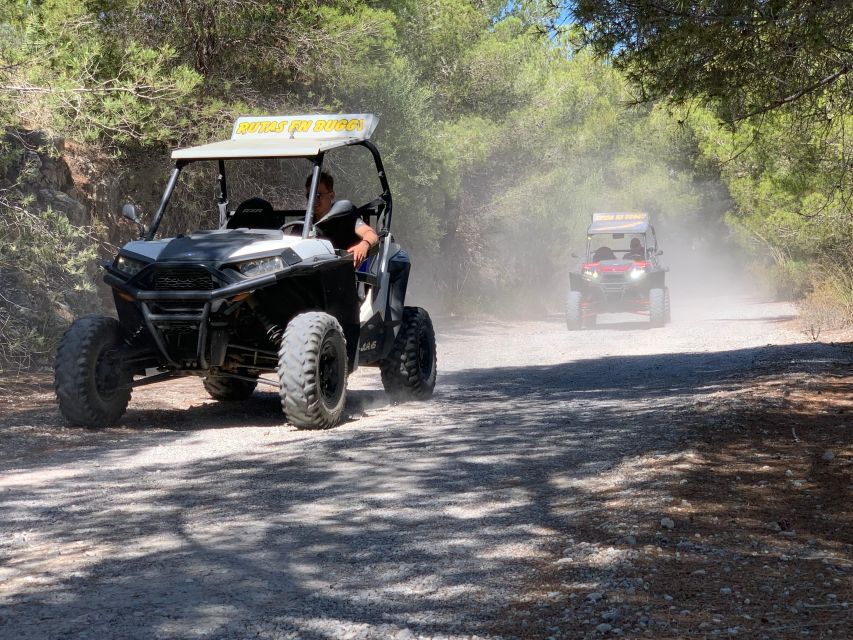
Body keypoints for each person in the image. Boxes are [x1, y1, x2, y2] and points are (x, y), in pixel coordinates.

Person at [305, 171, 379, 267]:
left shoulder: (346, 218)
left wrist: (364, 245)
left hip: (345, 273)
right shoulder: (303, 225)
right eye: (309, 196)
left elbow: (370, 234)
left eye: (317, 196)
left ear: (331, 195)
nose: (313, 201)